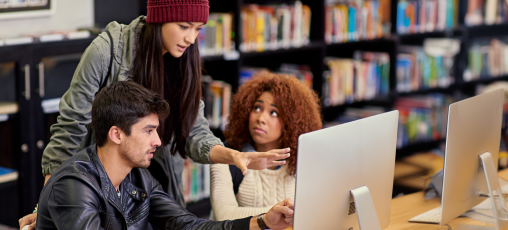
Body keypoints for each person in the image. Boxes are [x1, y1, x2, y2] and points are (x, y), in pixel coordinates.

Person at [20, 0, 289, 228]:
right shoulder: (109, 50)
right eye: (184, 27)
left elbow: (195, 134)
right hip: (104, 171)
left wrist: (234, 156)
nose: (191, 38)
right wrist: (46, 206)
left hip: (150, 174)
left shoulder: (186, 62)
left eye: (198, 29)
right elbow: (70, 127)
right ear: (159, 19)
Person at [35, 80, 294, 230]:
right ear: (116, 134)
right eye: (148, 131)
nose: (158, 141)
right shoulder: (74, 185)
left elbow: (188, 226)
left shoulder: (139, 178)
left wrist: (263, 222)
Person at [210, 73, 322, 220]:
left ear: (291, 121)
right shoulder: (225, 156)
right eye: (257, 108)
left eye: (274, 113)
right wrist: (285, 212)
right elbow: (225, 216)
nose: (261, 118)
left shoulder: (303, 158)